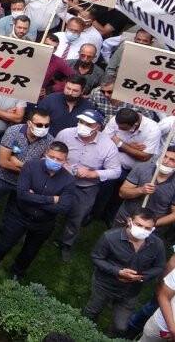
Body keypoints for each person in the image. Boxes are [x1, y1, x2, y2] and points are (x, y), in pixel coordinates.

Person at [0, 142, 75, 277]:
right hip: (19, 215)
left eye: (59, 159)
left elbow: (64, 207)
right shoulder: (30, 166)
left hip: (44, 223)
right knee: (4, 244)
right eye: (52, 157)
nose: (55, 161)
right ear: (46, 154)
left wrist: (33, 198)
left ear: (65, 161)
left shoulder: (69, 180)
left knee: (30, 251)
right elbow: (22, 195)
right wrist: (52, 199)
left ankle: (17, 272)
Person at [0, 109, 53, 240]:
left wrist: (18, 163)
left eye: (46, 125)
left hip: (24, 183)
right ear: (29, 123)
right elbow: (4, 162)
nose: (43, 128)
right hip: (2, 177)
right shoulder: (13, 132)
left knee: (13, 209)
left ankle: (4, 230)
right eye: (39, 125)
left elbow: (43, 169)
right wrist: (30, 169)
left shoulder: (49, 141)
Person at [83, 208, 166, 335]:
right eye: (139, 225)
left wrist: (141, 277)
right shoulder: (110, 237)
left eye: (147, 228)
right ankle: (85, 332)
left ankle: (108, 337)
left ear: (153, 229)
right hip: (104, 285)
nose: (143, 230)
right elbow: (96, 257)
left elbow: (159, 267)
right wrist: (118, 271)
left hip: (130, 292)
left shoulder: (157, 244)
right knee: (91, 313)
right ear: (129, 221)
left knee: (121, 327)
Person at [57, 109, 121, 260]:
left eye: (88, 124)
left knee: (77, 216)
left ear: (98, 126)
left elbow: (116, 171)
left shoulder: (108, 145)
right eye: (81, 121)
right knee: (47, 205)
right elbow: (52, 151)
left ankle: (66, 243)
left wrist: (93, 174)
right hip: (59, 178)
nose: (82, 125)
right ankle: (37, 231)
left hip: (86, 187)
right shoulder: (65, 134)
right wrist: (64, 165)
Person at [115, 146, 175, 228]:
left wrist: (151, 225)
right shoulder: (142, 168)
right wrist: (141, 190)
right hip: (126, 218)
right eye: (164, 156)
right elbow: (122, 193)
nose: (165, 161)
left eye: (172, 160)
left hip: (153, 226)